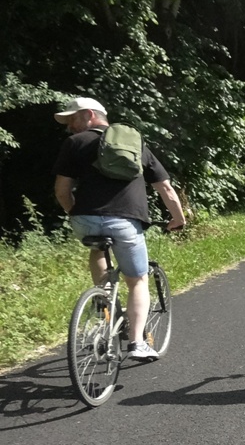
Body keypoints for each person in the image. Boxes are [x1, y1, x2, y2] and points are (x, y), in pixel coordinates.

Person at [53, 96, 187, 361]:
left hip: (85, 219)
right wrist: (178, 218)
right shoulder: (134, 142)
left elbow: (61, 191)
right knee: (137, 281)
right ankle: (137, 343)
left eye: (73, 119)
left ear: (89, 114)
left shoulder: (75, 143)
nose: (69, 126)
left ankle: (104, 300)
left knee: (97, 247)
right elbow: (165, 187)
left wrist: (76, 213)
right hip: (126, 220)